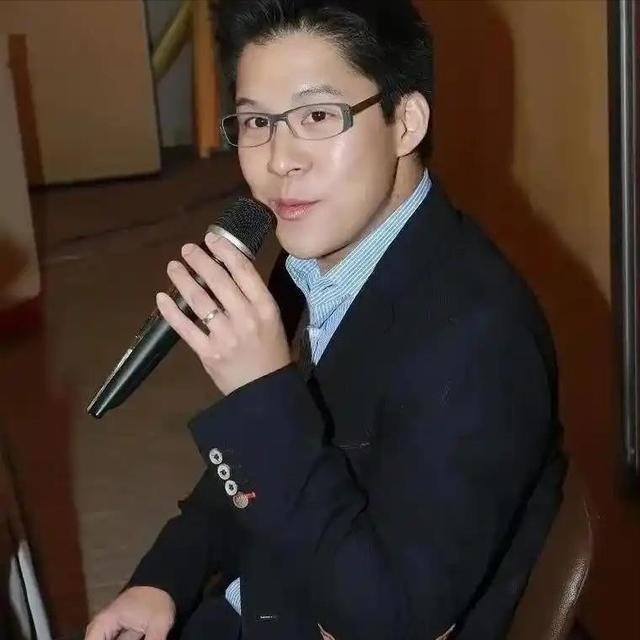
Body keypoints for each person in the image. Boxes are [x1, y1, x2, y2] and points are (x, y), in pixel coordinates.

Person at [85, 1, 567, 638]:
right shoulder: (316, 262)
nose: (279, 160)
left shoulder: (480, 343)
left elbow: (389, 618)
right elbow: (271, 464)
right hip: (268, 584)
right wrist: (166, 574)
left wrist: (259, 396)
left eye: (317, 116)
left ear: (406, 122)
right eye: (257, 122)